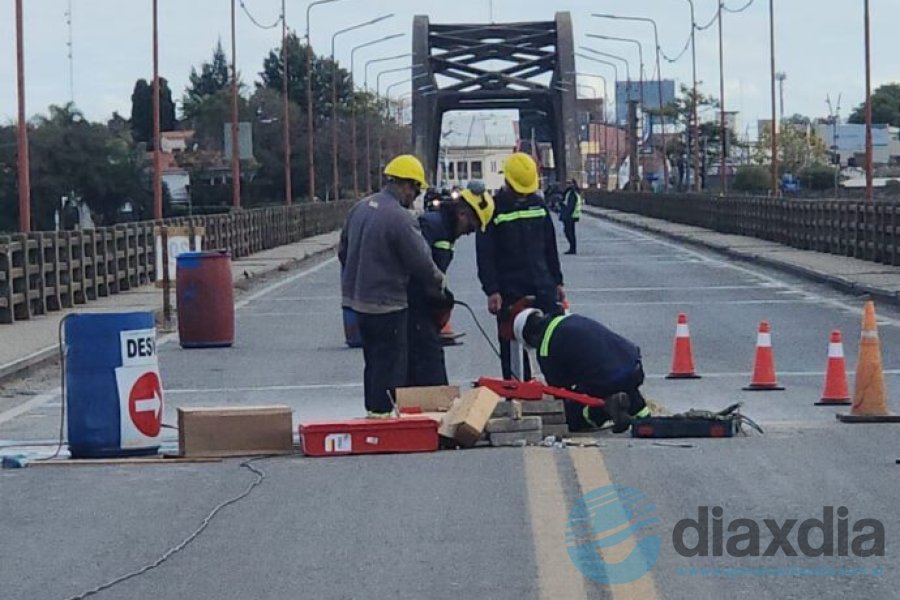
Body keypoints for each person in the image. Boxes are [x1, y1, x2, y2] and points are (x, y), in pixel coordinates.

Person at [339, 154, 451, 418]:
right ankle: (384, 417)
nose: (415, 196)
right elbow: (421, 263)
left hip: (358, 302)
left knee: (373, 362)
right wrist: (440, 283)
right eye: (416, 189)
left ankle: (372, 412)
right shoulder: (401, 218)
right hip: (388, 303)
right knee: (391, 365)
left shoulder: (360, 208)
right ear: (406, 184)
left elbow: (343, 250)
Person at [476, 152, 565, 380]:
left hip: (543, 285)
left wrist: (558, 281)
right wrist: (492, 290)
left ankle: (559, 390)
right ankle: (517, 393)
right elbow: (485, 254)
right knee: (511, 344)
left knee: (555, 341)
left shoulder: (539, 205)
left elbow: (549, 246)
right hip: (510, 290)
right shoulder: (494, 210)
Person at [407, 181, 495, 387]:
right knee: (426, 368)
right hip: (414, 309)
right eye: (472, 225)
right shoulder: (431, 226)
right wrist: (437, 296)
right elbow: (418, 269)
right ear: (463, 213)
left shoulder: (444, 230)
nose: (471, 232)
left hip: (423, 309)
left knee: (427, 365)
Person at [513, 308, 651, 433]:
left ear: (530, 337)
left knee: (572, 415)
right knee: (624, 386)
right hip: (633, 366)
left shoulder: (545, 348)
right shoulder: (566, 318)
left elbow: (561, 391)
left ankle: (605, 410)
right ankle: (644, 416)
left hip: (608, 380)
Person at [559, 178, 584, 255]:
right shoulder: (569, 192)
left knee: (569, 232)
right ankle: (572, 248)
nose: (568, 184)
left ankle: (572, 248)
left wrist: (566, 215)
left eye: (569, 183)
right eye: (567, 183)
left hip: (570, 216)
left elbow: (570, 206)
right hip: (571, 216)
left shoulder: (572, 193)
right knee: (569, 232)